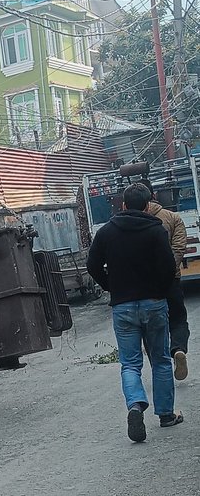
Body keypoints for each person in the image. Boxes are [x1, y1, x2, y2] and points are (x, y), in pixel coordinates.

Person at [87, 182, 181, 442]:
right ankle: (166, 415)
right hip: (153, 303)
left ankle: (136, 405)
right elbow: (168, 266)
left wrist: (111, 286)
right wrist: (160, 290)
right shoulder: (156, 230)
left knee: (130, 363)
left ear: (123, 205)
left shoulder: (106, 232)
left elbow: (92, 264)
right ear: (149, 204)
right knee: (160, 360)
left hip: (123, 306)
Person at [146, 185, 189, 381]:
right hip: (171, 280)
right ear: (154, 196)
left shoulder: (137, 221)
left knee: (150, 325)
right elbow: (179, 248)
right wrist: (170, 271)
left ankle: (158, 364)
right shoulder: (173, 218)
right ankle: (178, 349)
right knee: (178, 319)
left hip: (146, 284)